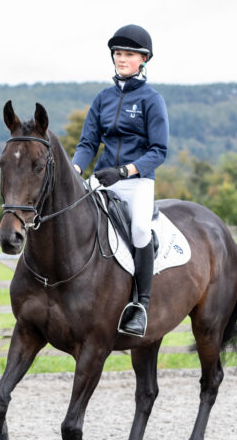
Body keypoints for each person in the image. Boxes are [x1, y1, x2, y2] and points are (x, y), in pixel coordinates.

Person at [71, 24, 169, 337]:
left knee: (140, 228)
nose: (121, 59)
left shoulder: (152, 100)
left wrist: (126, 171)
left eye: (128, 54)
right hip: (102, 178)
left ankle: (141, 304)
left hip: (137, 181)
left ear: (143, 59)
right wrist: (75, 170)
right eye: (117, 53)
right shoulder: (103, 99)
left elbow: (159, 151)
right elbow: (88, 143)